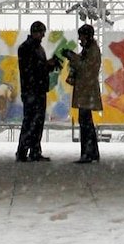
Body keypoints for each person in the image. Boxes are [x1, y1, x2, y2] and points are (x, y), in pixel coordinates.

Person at [16, 20, 61, 162]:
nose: (42, 36)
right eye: (41, 33)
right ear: (35, 32)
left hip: (38, 90)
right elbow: (30, 69)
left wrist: (49, 65)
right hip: (32, 90)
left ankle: (34, 150)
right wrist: (47, 64)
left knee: (37, 121)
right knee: (30, 121)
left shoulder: (37, 48)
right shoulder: (26, 48)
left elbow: (36, 68)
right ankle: (23, 151)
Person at [59, 24, 103, 163]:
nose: (79, 39)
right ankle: (91, 153)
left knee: (85, 123)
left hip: (87, 91)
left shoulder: (93, 50)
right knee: (86, 122)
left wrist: (72, 57)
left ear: (87, 36)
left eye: (81, 36)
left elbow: (86, 68)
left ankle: (88, 153)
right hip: (85, 90)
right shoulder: (89, 49)